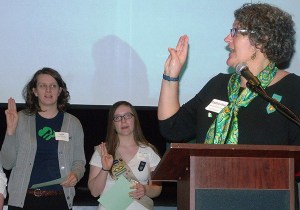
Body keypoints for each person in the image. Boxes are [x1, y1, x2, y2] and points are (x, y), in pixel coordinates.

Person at [158, 3, 300, 145]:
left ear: (262, 40)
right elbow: (173, 129)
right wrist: (170, 76)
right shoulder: (218, 85)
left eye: (235, 32)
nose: (227, 39)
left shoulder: (293, 89)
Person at [0, 68, 86, 210]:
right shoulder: (20, 119)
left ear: (59, 91)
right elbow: (7, 163)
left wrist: (76, 174)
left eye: (53, 86)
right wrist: (10, 131)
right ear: (34, 91)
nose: (48, 90)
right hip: (23, 201)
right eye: (42, 86)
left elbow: (79, 161)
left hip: (59, 200)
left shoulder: (73, 123)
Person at [88, 101, 162, 210]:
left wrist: (145, 190)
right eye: (117, 117)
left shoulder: (149, 151)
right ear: (113, 124)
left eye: (127, 116)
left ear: (135, 120)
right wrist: (105, 169)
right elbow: (94, 192)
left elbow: (157, 188)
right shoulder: (103, 151)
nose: (123, 121)